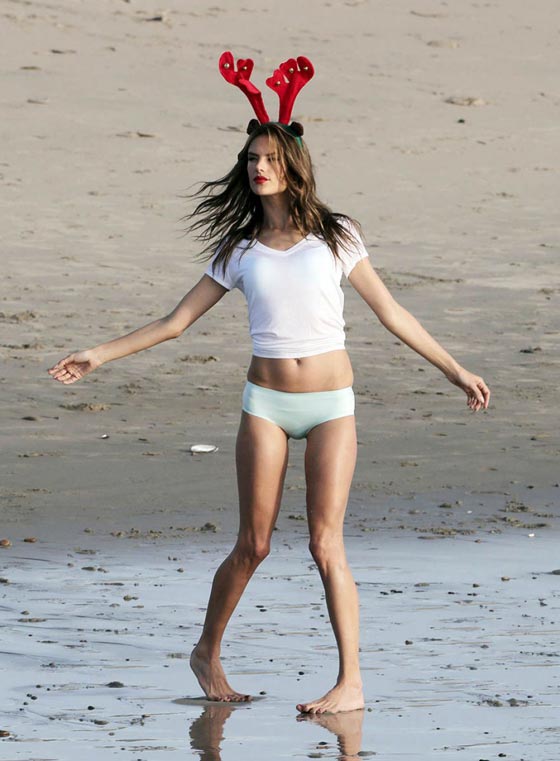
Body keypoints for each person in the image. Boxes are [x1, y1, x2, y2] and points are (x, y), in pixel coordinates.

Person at [49, 58, 490, 715]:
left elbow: (392, 313)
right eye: (252, 158)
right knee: (253, 544)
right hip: (267, 406)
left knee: (325, 542)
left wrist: (455, 369)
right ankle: (207, 651)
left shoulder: (337, 236)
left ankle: (350, 682)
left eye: (270, 158)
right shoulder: (239, 249)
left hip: (332, 404)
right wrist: (98, 354)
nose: (259, 167)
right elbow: (175, 322)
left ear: (293, 165)